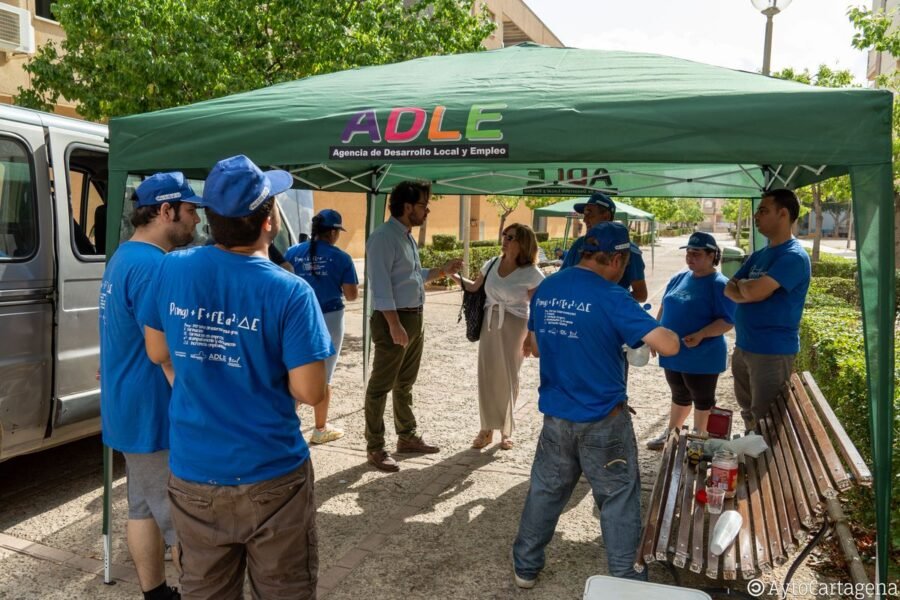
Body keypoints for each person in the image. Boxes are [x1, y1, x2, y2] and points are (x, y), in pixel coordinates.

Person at [142, 155, 332, 599]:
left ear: (211, 219)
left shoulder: (171, 267)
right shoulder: (290, 291)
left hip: (195, 471)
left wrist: (202, 382)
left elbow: (157, 352)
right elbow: (309, 390)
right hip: (272, 473)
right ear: (269, 221)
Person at [512, 221, 680, 588]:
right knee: (618, 498)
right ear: (618, 259)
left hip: (556, 415)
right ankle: (625, 580)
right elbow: (668, 345)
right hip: (604, 419)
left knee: (545, 491)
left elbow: (537, 347)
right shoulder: (612, 296)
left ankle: (525, 567)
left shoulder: (547, 288)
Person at [99, 172, 204, 600]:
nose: (196, 220)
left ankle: (158, 596)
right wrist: (197, 404)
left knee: (142, 506)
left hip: (127, 406)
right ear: (166, 211)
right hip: (153, 412)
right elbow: (162, 352)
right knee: (182, 523)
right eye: (191, 210)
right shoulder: (154, 265)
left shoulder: (124, 256)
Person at [364, 181, 462, 472]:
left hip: (411, 317)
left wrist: (441, 271)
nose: (427, 210)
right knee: (380, 386)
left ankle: (406, 437)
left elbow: (410, 276)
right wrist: (394, 325)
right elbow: (381, 286)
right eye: (423, 204)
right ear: (407, 207)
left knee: (404, 383)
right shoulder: (383, 238)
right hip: (393, 318)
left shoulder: (404, 236)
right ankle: (375, 447)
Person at [724, 188, 811, 432]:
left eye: (763, 210)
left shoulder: (794, 257)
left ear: (783, 214)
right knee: (748, 415)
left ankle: (762, 468)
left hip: (771, 352)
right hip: (744, 346)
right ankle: (750, 465)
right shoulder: (760, 255)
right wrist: (746, 288)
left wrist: (745, 287)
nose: (756, 216)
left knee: (766, 422)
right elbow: (728, 289)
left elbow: (751, 291)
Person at [451, 223, 544, 451]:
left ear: (522, 242)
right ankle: (486, 429)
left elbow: (537, 307)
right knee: (488, 375)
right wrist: (450, 275)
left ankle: (506, 430)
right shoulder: (491, 263)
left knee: (509, 376)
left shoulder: (532, 273)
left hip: (516, 325)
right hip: (490, 322)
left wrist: (532, 337)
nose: (505, 239)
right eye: (504, 235)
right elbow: (474, 288)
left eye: (510, 237)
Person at [646, 232, 736, 450]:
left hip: (702, 354)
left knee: (702, 398)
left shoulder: (719, 284)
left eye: (696, 254)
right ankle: (672, 435)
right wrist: (656, 335)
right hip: (674, 352)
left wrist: (702, 334)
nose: (690, 258)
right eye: (688, 253)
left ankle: (699, 439)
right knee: (679, 393)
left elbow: (728, 321)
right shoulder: (679, 277)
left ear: (712, 255)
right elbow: (665, 306)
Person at [285, 208, 359, 444]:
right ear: (334, 232)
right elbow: (352, 295)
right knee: (323, 375)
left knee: (292, 370)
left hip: (295, 317)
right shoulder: (342, 258)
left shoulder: (292, 253)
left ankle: (285, 425)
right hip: (329, 318)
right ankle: (320, 429)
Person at [560, 193, 648, 302]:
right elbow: (562, 280)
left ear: (606, 216)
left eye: (589, 214)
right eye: (584, 215)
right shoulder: (578, 244)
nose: (585, 220)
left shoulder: (627, 249)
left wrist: (606, 302)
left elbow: (641, 295)